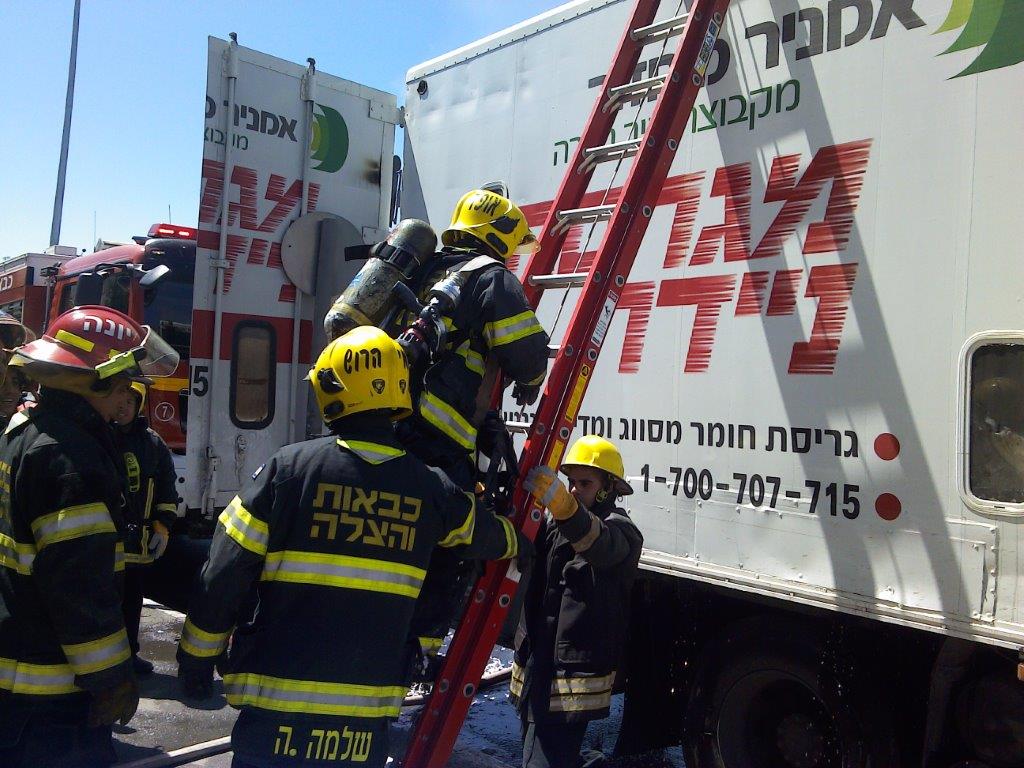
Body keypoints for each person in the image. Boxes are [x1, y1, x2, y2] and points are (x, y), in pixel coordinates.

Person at [176, 326, 525, 768]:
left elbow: (223, 573)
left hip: (275, 715)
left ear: (332, 389)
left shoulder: (288, 472)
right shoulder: (429, 489)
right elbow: (488, 537)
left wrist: (196, 658)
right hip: (363, 725)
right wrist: (520, 539)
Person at [0, 305, 179, 767]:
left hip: (15, 677)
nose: (127, 394)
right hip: (50, 697)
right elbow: (78, 586)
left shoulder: (23, 432)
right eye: (122, 382)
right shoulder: (69, 458)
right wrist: (111, 679)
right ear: (95, 380)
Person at [395, 187, 551, 668]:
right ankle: (416, 655)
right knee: (452, 543)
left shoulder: (426, 271)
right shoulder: (492, 278)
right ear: (498, 235)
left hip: (387, 423)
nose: (512, 256)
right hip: (438, 441)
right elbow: (526, 354)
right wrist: (534, 378)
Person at [513, 435, 644, 768]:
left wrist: (565, 509)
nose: (572, 490)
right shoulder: (556, 525)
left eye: (584, 483)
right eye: (570, 482)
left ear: (608, 488)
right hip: (538, 669)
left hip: (568, 681)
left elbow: (598, 544)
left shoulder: (622, 532)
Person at [112, 381, 179, 674]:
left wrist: (163, 526)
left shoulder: (154, 444)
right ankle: (106, 661)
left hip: (137, 542)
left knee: (131, 602)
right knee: (106, 601)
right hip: (107, 538)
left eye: (130, 400)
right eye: (120, 399)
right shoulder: (101, 437)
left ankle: (128, 655)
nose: (124, 406)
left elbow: (166, 489)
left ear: (139, 404)